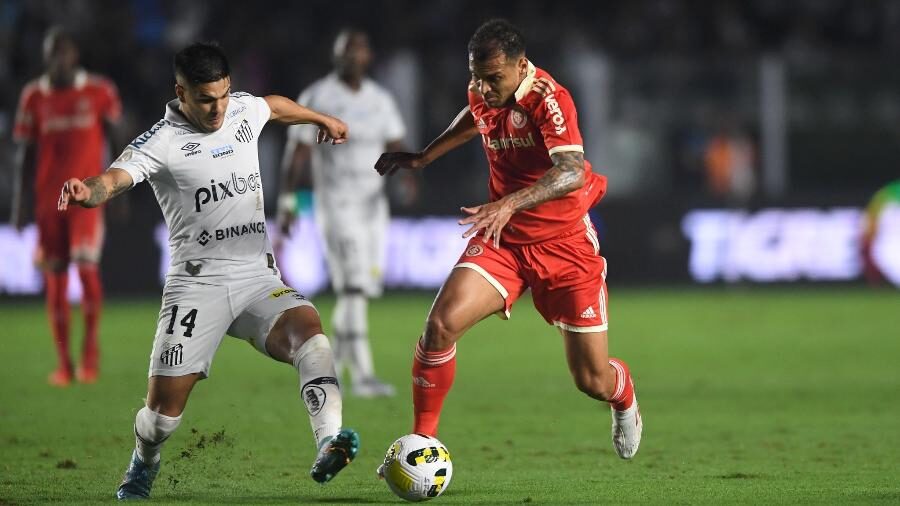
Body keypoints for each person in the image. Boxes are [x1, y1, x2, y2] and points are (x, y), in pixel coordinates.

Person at [57, 42, 359, 500]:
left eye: (222, 95)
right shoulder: (160, 141)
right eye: (205, 99)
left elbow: (273, 107)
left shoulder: (239, 111)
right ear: (181, 92)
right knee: (160, 419)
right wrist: (88, 191)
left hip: (256, 275)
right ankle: (144, 460)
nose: (217, 109)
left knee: (310, 335)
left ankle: (328, 441)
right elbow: (114, 179)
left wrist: (321, 119)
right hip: (196, 285)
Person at [374, 19, 642, 461]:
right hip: (506, 241)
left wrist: (510, 202)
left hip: (565, 244)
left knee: (591, 379)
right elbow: (476, 118)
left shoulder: (550, 100)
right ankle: (423, 441)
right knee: (440, 326)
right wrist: (425, 157)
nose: (482, 86)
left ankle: (623, 394)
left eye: (493, 78)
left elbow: (573, 170)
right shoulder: (483, 89)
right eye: (475, 75)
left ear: (521, 67)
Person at [278, 29, 407, 398]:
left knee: (360, 291)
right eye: (346, 52)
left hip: (373, 208)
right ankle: (363, 376)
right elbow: (297, 154)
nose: (353, 57)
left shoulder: (380, 99)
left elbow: (395, 141)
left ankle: (330, 368)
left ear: (368, 57)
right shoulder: (318, 97)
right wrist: (287, 204)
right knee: (351, 287)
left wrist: (408, 178)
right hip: (336, 205)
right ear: (335, 57)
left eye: (359, 51)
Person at [12, 27, 122, 386]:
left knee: (87, 270)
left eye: (64, 52)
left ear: (74, 55)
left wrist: (120, 190)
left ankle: (90, 356)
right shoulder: (33, 96)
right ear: (46, 57)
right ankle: (64, 363)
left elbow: (118, 137)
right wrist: (19, 203)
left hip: (88, 197)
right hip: (48, 201)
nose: (59, 59)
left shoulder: (99, 91)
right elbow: (24, 154)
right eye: (52, 53)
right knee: (56, 281)